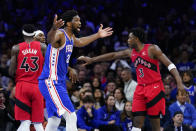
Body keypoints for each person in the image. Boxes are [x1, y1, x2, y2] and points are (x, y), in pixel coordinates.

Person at [78, 27, 184, 131]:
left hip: (154, 87)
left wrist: (179, 82)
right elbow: (113, 55)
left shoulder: (152, 48)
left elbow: (170, 65)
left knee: (154, 123)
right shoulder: (130, 52)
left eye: (130, 38)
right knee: (137, 121)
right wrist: (92, 59)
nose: (127, 40)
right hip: (140, 88)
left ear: (136, 39)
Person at [38, 10, 113, 131]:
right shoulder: (60, 34)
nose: (80, 22)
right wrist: (52, 28)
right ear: (68, 23)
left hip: (58, 82)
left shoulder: (71, 37)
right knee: (71, 115)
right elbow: (50, 39)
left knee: (54, 119)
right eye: (76, 20)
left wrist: (98, 35)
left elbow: (81, 42)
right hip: (51, 81)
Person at [9, 24, 47, 131]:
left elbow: (11, 72)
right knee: (38, 123)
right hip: (37, 87)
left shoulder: (16, 48)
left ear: (23, 33)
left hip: (22, 86)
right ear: (34, 33)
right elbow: (47, 69)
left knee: (25, 122)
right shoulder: (43, 47)